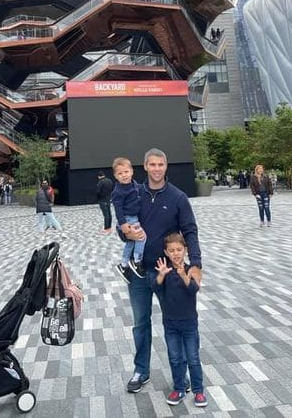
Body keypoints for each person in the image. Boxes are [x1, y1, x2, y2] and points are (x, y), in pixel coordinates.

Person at [122, 148, 202, 394]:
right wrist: (123, 231)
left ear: (166, 167)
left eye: (161, 165)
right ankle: (141, 371)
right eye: (152, 165)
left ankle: (181, 378)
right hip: (139, 273)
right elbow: (123, 224)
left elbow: (190, 230)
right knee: (140, 323)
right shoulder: (134, 194)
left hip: (170, 274)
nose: (156, 169)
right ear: (144, 166)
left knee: (177, 322)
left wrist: (196, 264)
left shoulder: (178, 197)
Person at [152, 232, 207, 408]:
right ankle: (179, 388)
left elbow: (193, 290)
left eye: (179, 249)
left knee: (192, 357)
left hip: (189, 323)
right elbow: (155, 289)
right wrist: (160, 275)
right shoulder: (165, 270)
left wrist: (184, 275)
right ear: (166, 252)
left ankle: (198, 391)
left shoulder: (191, 269)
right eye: (171, 250)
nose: (175, 253)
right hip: (170, 323)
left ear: (185, 250)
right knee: (175, 358)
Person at [111, 157, 147, 282]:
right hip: (128, 218)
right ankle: (137, 261)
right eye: (120, 173)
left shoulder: (136, 185)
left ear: (131, 171)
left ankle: (124, 264)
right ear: (116, 176)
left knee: (131, 242)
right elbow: (118, 209)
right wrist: (123, 224)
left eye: (126, 172)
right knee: (141, 237)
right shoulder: (118, 191)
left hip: (134, 217)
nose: (124, 175)